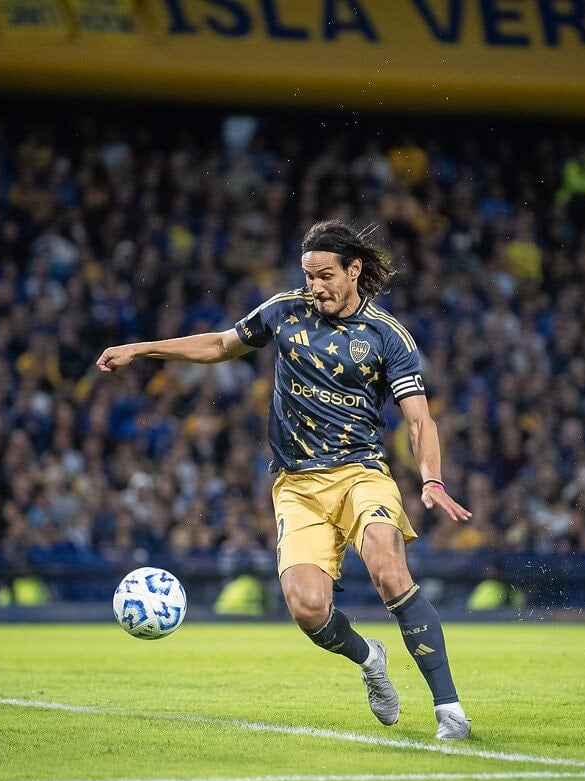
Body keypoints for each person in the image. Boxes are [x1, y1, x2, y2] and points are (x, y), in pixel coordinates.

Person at [97, 220, 473, 740]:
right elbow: (220, 344)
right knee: (308, 609)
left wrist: (432, 479)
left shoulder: (387, 336)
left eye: (325, 276)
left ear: (354, 270)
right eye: (308, 275)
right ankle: (370, 658)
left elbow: (419, 420)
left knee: (389, 570)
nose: (315, 286)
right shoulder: (284, 311)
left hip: (360, 473)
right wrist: (141, 349)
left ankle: (449, 710)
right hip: (296, 485)